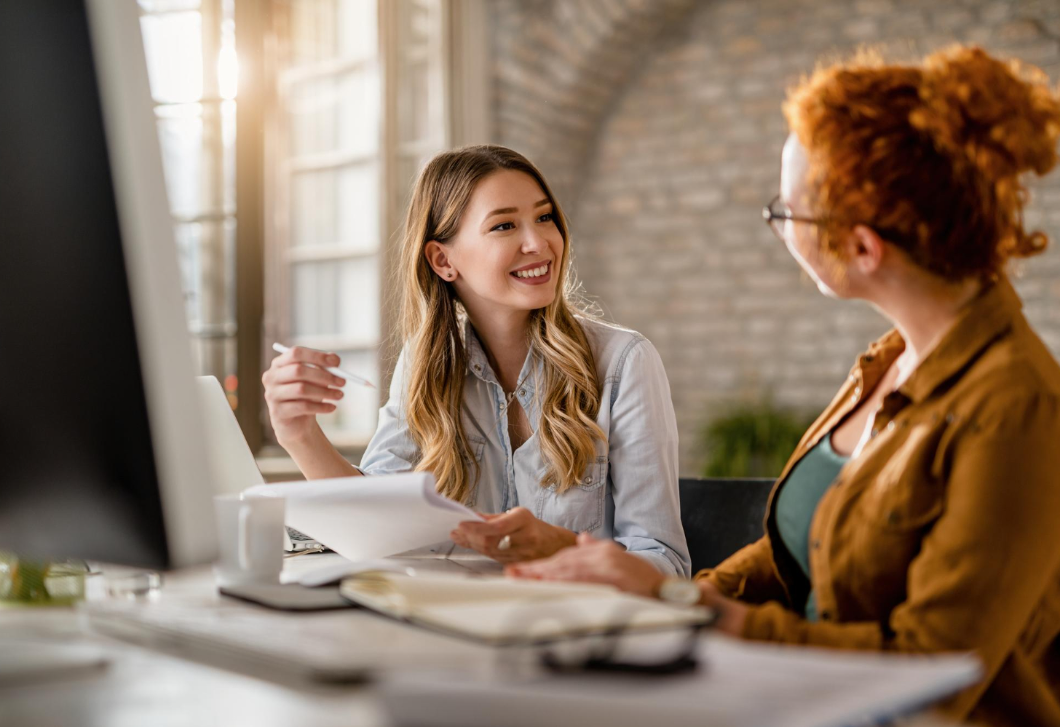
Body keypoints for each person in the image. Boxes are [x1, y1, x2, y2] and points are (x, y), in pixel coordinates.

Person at [508, 46, 1060, 725]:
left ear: (863, 247)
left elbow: (934, 669)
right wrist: (655, 597)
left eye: (787, 211)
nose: (778, 226)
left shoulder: (1017, 406)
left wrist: (692, 609)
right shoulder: (886, 362)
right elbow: (791, 553)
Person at [262, 144, 689, 575]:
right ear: (443, 260)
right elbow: (371, 526)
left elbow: (665, 565)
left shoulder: (623, 363)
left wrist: (556, 548)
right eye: (505, 225)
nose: (539, 242)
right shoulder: (425, 366)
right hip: (452, 625)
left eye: (545, 218)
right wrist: (300, 436)